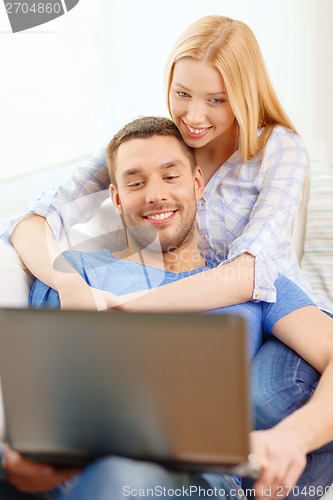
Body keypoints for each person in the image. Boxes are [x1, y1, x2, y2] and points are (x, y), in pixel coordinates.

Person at [1, 14, 333, 497]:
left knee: (265, 402)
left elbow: (252, 270)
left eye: (215, 100)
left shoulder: (278, 153)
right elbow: (34, 219)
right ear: (116, 195)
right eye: (183, 95)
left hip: (256, 297)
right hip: (95, 458)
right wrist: (75, 289)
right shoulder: (148, 150)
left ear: (196, 181)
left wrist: (120, 311)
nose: (194, 117)